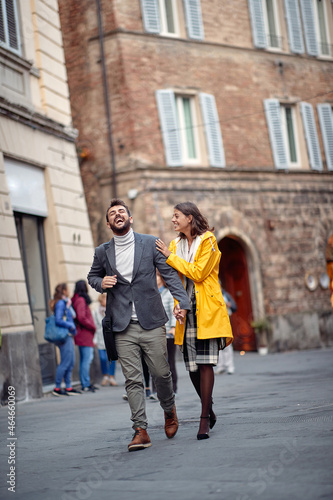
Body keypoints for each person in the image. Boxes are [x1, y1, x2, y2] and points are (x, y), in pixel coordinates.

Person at [87, 199, 190, 452]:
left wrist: (183, 301)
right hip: (122, 325)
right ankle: (140, 430)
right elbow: (92, 276)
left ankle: (169, 410)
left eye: (122, 211)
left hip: (152, 320)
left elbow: (169, 275)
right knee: (132, 380)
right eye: (112, 213)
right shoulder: (103, 252)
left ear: (130, 219)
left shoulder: (149, 242)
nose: (117, 214)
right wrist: (103, 283)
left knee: (161, 373)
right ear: (110, 224)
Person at [156, 202, 233, 440]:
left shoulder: (208, 240)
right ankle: (209, 409)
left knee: (206, 362)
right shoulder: (174, 244)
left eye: (176, 216)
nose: (173, 220)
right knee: (191, 367)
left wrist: (171, 258)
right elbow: (174, 280)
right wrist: (178, 305)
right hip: (186, 310)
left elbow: (198, 273)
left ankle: (203, 420)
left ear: (190, 218)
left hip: (207, 308)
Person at [50, 283, 81, 396]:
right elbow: (58, 320)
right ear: (63, 291)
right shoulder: (60, 303)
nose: (69, 291)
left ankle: (68, 387)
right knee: (65, 362)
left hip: (68, 335)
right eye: (67, 289)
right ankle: (57, 388)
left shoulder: (66, 302)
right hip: (64, 335)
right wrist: (70, 325)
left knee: (70, 361)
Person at [72, 280, 97, 393]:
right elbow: (81, 317)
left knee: (85, 359)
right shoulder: (81, 300)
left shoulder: (77, 299)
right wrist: (92, 326)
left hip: (82, 333)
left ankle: (85, 383)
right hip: (84, 333)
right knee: (87, 359)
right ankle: (85, 384)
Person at [156, 270, 178, 395]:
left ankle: (173, 389)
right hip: (155, 333)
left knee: (170, 362)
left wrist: (174, 327)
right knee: (156, 364)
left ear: (161, 278)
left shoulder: (168, 294)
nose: (154, 278)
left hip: (168, 333)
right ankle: (157, 390)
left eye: (157, 276)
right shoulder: (151, 294)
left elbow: (173, 311)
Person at [92, 294, 118, 387]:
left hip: (110, 337)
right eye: (104, 299)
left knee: (112, 358)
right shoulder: (95, 312)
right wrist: (94, 339)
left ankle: (111, 377)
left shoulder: (112, 310)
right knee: (103, 358)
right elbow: (94, 326)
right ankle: (105, 376)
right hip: (100, 337)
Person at [215, 289, 237, 375]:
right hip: (215, 323)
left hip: (225, 322)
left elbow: (234, 307)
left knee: (227, 346)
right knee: (217, 346)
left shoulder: (225, 294)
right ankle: (221, 366)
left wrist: (229, 305)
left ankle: (230, 366)